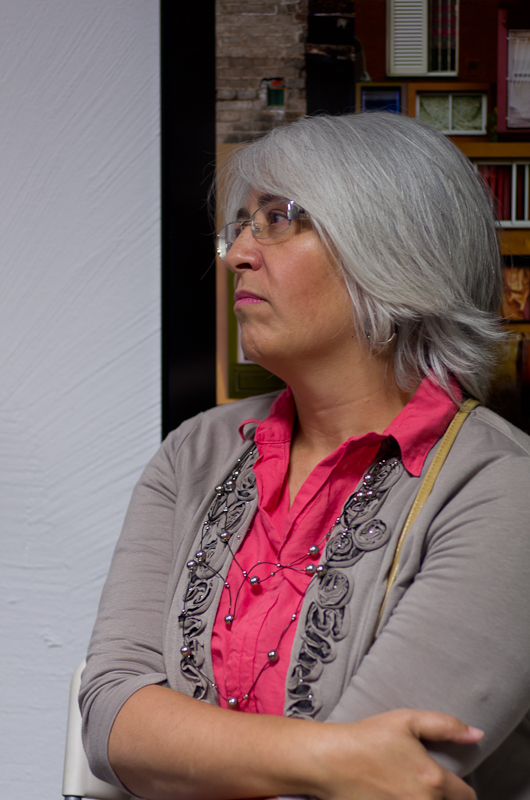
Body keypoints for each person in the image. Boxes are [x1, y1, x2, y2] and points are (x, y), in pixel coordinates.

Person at [80, 112, 530, 800]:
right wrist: (326, 757)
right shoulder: (195, 453)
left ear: (392, 246)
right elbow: (112, 715)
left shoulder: (503, 489)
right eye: (241, 224)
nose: (236, 254)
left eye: (278, 218)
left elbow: (387, 780)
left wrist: (184, 748)